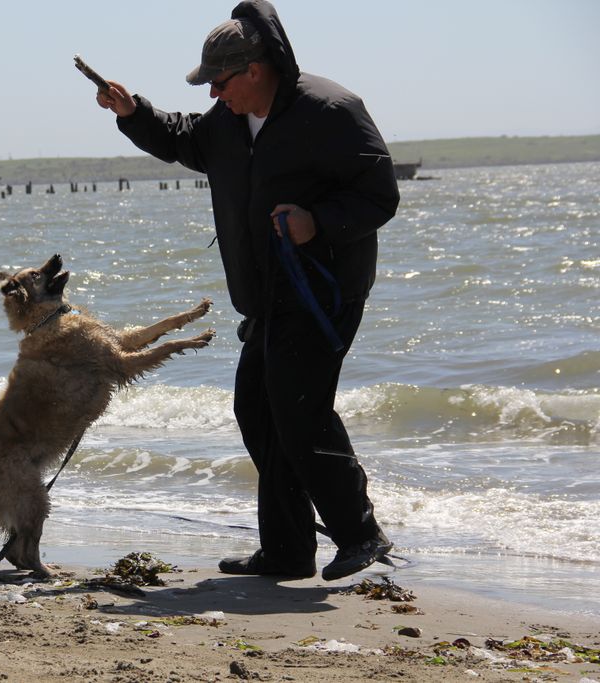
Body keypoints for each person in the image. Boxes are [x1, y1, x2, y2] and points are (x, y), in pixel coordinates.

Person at [94, 0, 399, 581]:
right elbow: (186, 139)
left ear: (255, 69)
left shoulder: (332, 110)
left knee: (298, 409)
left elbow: (379, 195)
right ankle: (287, 551)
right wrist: (134, 113)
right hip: (264, 293)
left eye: (220, 82)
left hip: (322, 291)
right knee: (257, 410)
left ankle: (362, 533)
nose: (213, 95)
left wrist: (316, 222)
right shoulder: (230, 121)